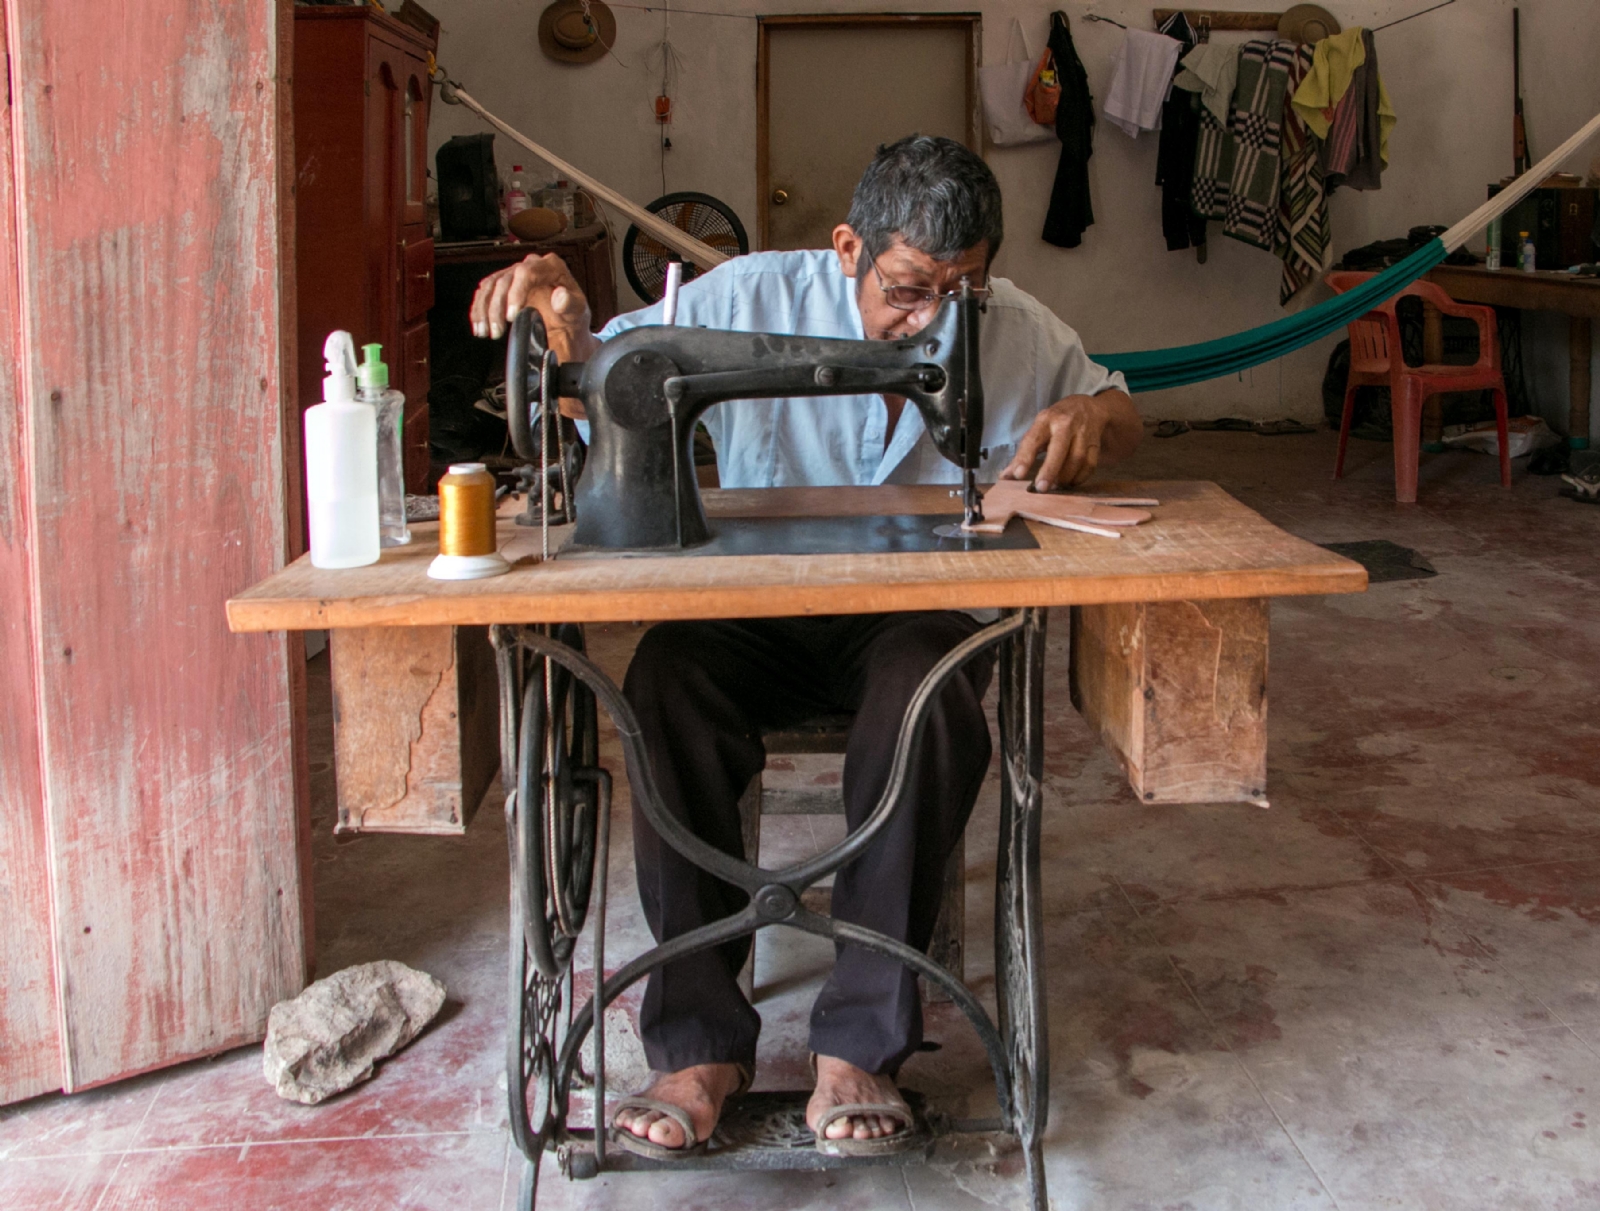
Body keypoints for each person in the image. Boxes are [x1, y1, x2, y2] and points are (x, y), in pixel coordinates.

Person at [469, 135, 1141, 1159]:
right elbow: (588, 378)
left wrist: (1095, 414)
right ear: (845, 250)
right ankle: (696, 1043)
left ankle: (858, 1046)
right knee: (663, 684)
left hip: (908, 612)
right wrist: (559, 316)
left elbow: (1120, 398)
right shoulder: (731, 301)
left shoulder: (1003, 322)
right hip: (750, 607)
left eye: (965, 290)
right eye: (911, 291)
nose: (937, 320)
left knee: (934, 698)